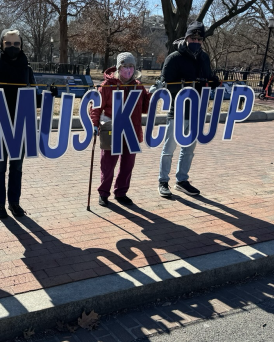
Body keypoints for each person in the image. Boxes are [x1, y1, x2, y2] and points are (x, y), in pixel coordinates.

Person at [157, 21, 219, 198]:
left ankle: (182, 180)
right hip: (177, 111)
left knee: (189, 150)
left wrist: (212, 80)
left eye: (200, 39)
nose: (196, 42)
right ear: (186, 38)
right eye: (193, 38)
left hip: (196, 111)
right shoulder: (174, 58)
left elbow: (207, 77)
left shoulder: (204, 58)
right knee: (169, 149)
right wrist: (184, 85)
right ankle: (163, 181)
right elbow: (165, 84)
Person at [0, 29, 37, 219]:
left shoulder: (27, 69)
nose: (13, 48)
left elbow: (35, 98)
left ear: (21, 45)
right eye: (8, 44)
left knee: (17, 167)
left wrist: (48, 95)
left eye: (16, 44)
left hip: (20, 126)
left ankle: (14, 203)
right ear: (1, 44)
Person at [90, 52, 151, 207]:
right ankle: (103, 193)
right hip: (112, 130)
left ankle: (121, 192)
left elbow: (145, 108)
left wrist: (152, 95)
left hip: (132, 130)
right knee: (108, 163)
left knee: (127, 164)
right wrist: (94, 124)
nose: (128, 70)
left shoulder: (138, 86)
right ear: (119, 67)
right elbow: (96, 107)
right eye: (125, 66)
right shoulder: (106, 86)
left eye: (131, 66)